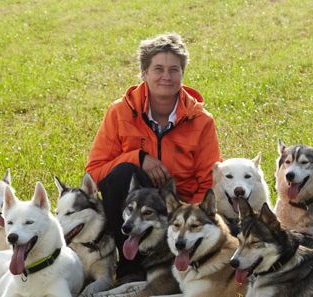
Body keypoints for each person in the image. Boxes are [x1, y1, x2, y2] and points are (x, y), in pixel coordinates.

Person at [85, 33, 221, 281]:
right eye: (158, 69)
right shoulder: (119, 112)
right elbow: (94, 172)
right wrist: (137, 157)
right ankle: (130, 267)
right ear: (144, 74)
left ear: (182, 74)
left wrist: (192, 222)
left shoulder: (202, 121)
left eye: (174, 70)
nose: (166, 77)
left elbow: (208, 180)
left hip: (181, 210)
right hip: (137, 208)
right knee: (122, 172)